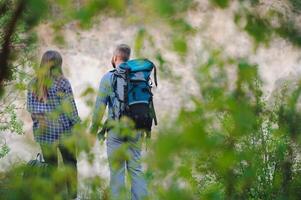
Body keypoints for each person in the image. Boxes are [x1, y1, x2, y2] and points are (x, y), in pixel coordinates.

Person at [91, 44, 148, 200]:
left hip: (116, 131)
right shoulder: (139, 76)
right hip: (136, 129)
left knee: (117, 172)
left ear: (115, 57)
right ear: (128, 58)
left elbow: (99, 109)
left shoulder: (108, 78)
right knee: (136, 169)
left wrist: (92, 131)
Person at [27, 50, 80, 199]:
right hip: (65, 132)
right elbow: (71, 109)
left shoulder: (33, 83)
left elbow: (31, 110)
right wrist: (78, 126)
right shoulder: (63, 82)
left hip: (44, 134)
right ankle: (72, 197)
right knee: (70, 164)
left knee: (51, 167)